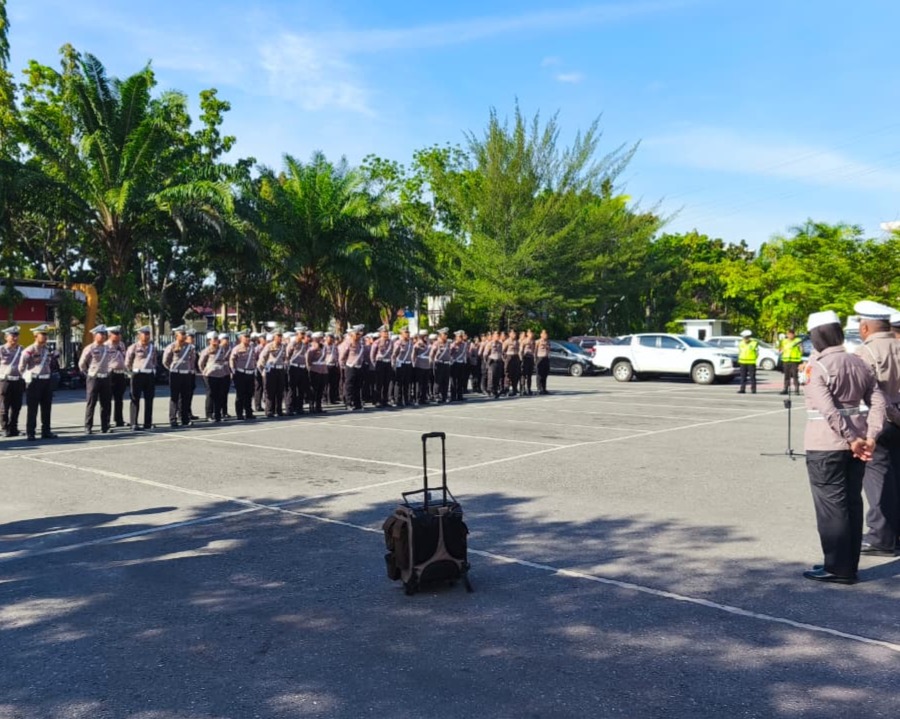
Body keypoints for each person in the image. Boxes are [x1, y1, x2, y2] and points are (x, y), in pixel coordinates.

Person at [802, 310, 885, 584]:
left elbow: (828, 411)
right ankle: (848, 565)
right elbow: (878, 402)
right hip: (857, 445)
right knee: (851, 503)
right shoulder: (859, 362)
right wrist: (870, 435)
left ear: (816, 337)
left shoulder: (818, 366)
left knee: (831, 507)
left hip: (826, 444)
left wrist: (852, 438)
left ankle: (837, 568)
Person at [852, 300, 900, 557]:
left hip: (878, 421)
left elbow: (874, 396)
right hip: (898, 419)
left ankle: (881, 537)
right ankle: (895, 533)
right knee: (896, 477)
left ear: (866, 327)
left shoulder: (865, 352)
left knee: (877, 480)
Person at [19, 324, 58, 441]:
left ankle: (46, 431)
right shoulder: (29, 350)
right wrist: (27, 378)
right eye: (43, 334)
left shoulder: (47, 349)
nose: (45, 337)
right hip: (34, 381)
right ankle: (30, 432)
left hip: (46, 380)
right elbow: (21, 367)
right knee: (33, 408)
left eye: (46, 335)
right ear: (36, 336)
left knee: (47, 407)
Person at [79, 324, 113, 435]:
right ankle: (88, 427)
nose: (104, 336)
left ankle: (105, 426)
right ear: (95, 335)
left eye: (105, 334)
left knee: (106, 403)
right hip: (94, 378)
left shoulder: (108, 348)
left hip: (105, 377)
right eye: (101, 334)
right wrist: (88, 374)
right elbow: (82, 363)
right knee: (91, 403)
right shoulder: (90, 348)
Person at [163, 326, 197, 427]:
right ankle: (173, 419)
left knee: (185, 397)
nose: (184, 336)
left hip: (186, 373)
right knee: (174, 397)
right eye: (182, 334)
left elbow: (192, 360)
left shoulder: (190, 347)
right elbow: (165, 361)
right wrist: (172, 368)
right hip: (175, 373)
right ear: (176, 336)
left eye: (184, 334)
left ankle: (184, 418)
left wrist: (190, 370)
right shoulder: (172, 346)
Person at [125, 326, 157, 431]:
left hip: (149, 375)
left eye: (148, 334)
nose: (146, 336)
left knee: (149, 399)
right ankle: (134, 423)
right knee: (135, 399)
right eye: (144, 334)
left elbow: (155, 360)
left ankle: (148, 422)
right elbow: (127, 362)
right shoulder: (133, 347)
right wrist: (132, 372)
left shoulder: (152, 347)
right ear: (139, 335)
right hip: (137, 374)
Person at [199, 331, 230, 422]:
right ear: (209, 341)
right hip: (210, 375)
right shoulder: (207, 350)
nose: (217, 340)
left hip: (221, 374)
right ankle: (209, 414)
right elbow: (201, 362)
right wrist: (204, 371)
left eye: (217, 339)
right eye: (214, 339)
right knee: (211, 394)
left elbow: (224, 360)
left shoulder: (222, 349)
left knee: (219, 395)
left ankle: (218, 415)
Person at [1, 326, 25, 437]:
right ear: (6, 337)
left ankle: (14, 428)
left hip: (18, 381)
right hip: (5, 381)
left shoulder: (21, 349)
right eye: (12, 336)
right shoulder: (1, 350)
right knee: (4, 406)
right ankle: (5, 428)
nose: (15, 338)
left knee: (17, 406)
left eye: (16, 336)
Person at [257, 328, 287, 417]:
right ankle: (269, 410)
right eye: (278, 336)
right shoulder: (269, 346)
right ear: (274, 337)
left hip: (280, 370)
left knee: (280, 391)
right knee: (270, 391)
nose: (280, 338)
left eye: (281, 336)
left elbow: (285, 357)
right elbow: (262, 358)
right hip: (271, 370)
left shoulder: (283, 346)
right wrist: (262, 371)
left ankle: (279, 410)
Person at [229, 329, 257, 421]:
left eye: (248, 337)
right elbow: (232, 360)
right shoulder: (237, 348)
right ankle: (239, 414)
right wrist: (233, 371)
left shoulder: (252, 347)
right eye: (245, 337)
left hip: (250, 373)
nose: (247, 339)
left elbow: (255, 358)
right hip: (240, 373)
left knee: (249, 394)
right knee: (240, 395)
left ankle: (249, 413)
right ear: (241, 338)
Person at [339, 324, 367, 410]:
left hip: (359, 366)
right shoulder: (348, 343)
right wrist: (343, 366)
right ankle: (349, 403)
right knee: (349, 385)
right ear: (352, 334)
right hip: (350, 366)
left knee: (358, 386)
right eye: (357, 334)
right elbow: (342, 356)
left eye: (360, 334)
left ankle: (357, 403)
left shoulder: (361, 343)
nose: (359, 336)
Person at [106, 326, 128, 427]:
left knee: (119, 398)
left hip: (120, 373)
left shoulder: (122, 345)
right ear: (110, 335)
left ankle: (119, 420)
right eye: (116, 334)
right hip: (110, 373)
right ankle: (106, 421)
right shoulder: (106, 346)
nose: (118, 336)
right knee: (107, 398)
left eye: (119, 334)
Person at [391, 326, 415, 407]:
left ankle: (406, 399)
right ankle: (398, 400)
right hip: (400, 364)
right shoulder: (398, 343)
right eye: (406, 333)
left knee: (407, 383)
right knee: (399, 383)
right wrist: (393, 364)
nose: (408, 334)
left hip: (408, 364)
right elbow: (394, 355)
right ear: (401, 333)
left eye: (408, 333)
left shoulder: (410, 343)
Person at [307, 331, 329, 414]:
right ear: (315, 338)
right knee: (314, 389)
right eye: (320, 338)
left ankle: (318, 407)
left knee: (321, 389)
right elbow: (309, 359)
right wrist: (309, 367)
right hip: (314, 370)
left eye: (322, 337)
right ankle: (311, 406)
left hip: (323, 370)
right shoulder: (312, 347)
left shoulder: (323, 346)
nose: (322, 339)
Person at [429, 328, 452, 403]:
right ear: (440, 335)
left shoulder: (448, 343)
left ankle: (444, 396)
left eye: (446, 334)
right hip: (439, 364)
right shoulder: (436, 343)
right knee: (438, 381)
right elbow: (431, 355)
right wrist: (432, 363)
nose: (446, 335)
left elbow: (450, 353)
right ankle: (436, 396)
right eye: (444, 334)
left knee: (446, 381)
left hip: (446, 364)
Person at [778, 328, 803, 396]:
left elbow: (801, 350)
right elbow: (782, 349)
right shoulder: (784, 341)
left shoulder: (798, 341)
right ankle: (785, 389)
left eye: (791, 334)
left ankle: (796, 390)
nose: (789, 335)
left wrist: (800, 349)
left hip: (794, 361)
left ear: (793, 334)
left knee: (795, 376)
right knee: (786, 376)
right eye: (788, 334)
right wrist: (780, 352)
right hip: (786, 360)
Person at [736, 329, 759, 394]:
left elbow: (757, 353)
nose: (745, 339)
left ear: (749, 337)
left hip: (751, 362)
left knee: (752, 377)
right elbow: (739, 352)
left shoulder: (754, 343)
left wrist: (754, 358)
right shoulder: (740, 343)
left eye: (747, 337)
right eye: (744, 337)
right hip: (742, 362)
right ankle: (742, 389)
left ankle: (753, 390)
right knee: (743, 377)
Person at [503, 329, 521, 396]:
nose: (514, 335)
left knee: (515, 374)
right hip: (509, 357)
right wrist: (505, 360)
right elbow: (503, 351)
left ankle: (514, 389)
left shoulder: (517, 342)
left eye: (515, 334)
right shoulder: (507, 341)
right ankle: (506, 389)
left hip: (515, 357)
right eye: (513, 334)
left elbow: (518, 350)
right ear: (509, 334)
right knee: (508, 374)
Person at [520, 329, 536, 396]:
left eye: (532, 333)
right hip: (525, 358)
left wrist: (534, 359)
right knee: (524, 375)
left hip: (531, 358)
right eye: (530, 333)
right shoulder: (524, 341)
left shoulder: (533, 341)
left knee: (529, 375)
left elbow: (534, 350)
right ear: (527, 334)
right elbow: (521, 350)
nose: (531, 334)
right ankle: (523, 389)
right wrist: (521, 359)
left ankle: (528, 389)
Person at [536, 330, 551, 395]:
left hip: (546, 358)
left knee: (545, 374)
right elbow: (535, 350)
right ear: (541, 334)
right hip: (540, 358)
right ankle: (539, 389)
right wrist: (535, 359)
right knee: (539, 375)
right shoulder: (537, 342)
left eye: (546, 334)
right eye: (544, 334)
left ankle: (544, 388)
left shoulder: (548, 342)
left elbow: (549, 350)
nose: (546, 335)